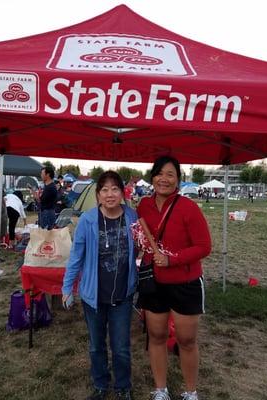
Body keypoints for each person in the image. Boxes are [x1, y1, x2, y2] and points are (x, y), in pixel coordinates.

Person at [136, 155, 211, 400]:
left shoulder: (188, 207)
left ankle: (191, 392)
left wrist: (172, 259)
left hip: (185, 283)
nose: (164, 179)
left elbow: (204, 246)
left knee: (186, 340)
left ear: (178, 179)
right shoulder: (144, 206)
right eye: (159, 173)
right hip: (154, 283)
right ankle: (161, 390)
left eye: (170, 174)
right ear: (152, 177)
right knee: (156, 337)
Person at [62, 171, 138, 400]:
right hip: (93, 296)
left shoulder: (132, 216)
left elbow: (141, 250)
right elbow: (76, 256)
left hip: (123, 295)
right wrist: (67, 288)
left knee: (121, 347)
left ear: (122, 193)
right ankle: (100, 385)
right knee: (96, 346)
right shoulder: (88, 219)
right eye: (104, 189)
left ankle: (123, 386)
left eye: (115, 189)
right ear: (97, 195)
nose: (110, 194)